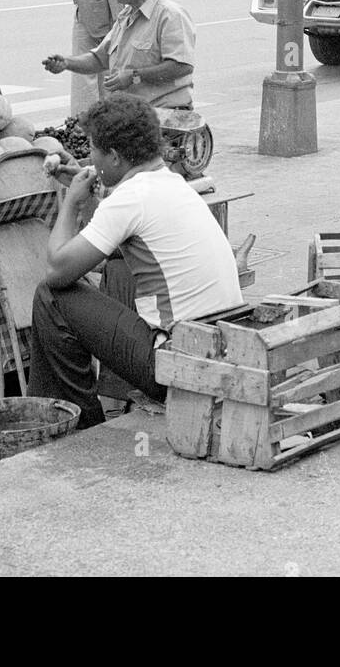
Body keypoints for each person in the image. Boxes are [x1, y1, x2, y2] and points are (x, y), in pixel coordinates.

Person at [27, 95, 242, 429]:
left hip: (177, 364)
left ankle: (73, 424)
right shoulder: (171, 183)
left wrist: (70, 204)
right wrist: (90, 191)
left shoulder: (131, 199)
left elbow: (56, 270)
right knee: (111, 270)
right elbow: (114, 234)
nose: (89, 157)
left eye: (94, 150)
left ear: (113, 157)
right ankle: (79, 411)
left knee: (51, 297)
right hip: (218, 350)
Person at [43, 0, 195, 108]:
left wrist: (134, 76)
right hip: (131, 115)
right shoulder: (126, 16)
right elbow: (99, 59)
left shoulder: (170, 16)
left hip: (165, 117)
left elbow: (182, 66)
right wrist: (67, 63)